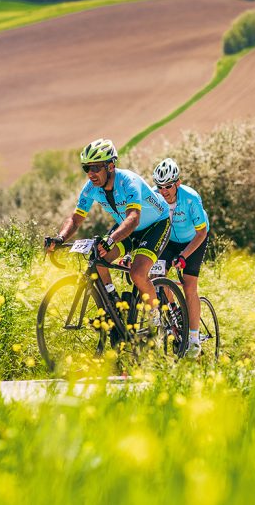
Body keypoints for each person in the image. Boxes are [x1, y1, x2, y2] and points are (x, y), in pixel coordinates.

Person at [47, 139, 171, 330]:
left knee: (137, 273)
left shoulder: (128, 182)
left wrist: (111, 239)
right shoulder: (90, 188)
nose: (90, 173)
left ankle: (157, 322)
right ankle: (113, 305)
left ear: (110, 166)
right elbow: (76, 219)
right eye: (86, 168)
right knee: (98, 259)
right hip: (127, 226)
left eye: (95, 167)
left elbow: (134, 218)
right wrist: (60, 238)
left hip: (156, 225)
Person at [152, 158, 210, 359]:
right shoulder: (154, 197)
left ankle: (194, 339)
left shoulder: (191, 198)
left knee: (189, 286)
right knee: (157, 275)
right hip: (169, 241)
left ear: (177, 183)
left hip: (194, 240)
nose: (164, 191)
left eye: (168, 186)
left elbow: (201, 233)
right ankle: (175, 312)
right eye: (160, 186)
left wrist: (184, 255)